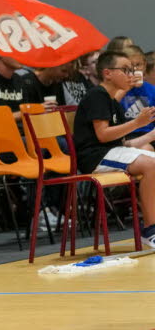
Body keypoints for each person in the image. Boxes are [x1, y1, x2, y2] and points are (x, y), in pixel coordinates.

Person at [72, 50, 155, 247]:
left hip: (112, 151)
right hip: (95, 157)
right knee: (150, 165)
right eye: (125, 70)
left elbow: (121, 141)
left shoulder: (110, 99)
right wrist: (137, 123)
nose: (131, 74)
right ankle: (150, 229)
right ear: (108, 73)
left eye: (132, 70)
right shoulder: (96, 96)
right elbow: (103, 134)